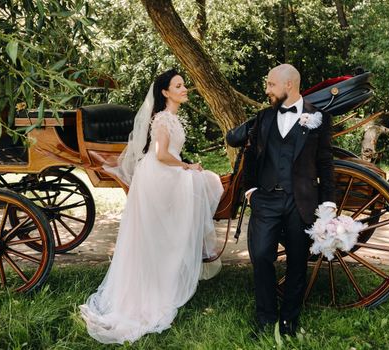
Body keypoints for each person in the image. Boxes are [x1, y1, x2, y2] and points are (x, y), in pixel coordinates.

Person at [80, 69, 223, 344]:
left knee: (202, 183)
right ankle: (160, 281)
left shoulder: (171, 117)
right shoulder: (162, 119)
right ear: (165, 92)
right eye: (178, 86)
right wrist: (187, 166)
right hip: (158, 174)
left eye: (184, 85)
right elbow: (160, 154)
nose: (184, 89)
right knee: (205, 182)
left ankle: (172, 262)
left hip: (162, 172)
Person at [243, 64, 336, 336]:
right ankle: (265, 319)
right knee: (260, 256)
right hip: (267, 199)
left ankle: (289, 321)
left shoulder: (319, 117)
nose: (267, 90)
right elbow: (251, 155)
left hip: (302, 201)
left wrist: (328, 201)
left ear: (289, 86)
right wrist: (250, 190)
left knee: (297, 260)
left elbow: (325, 162)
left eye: (271, 85)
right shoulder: (263, 118)